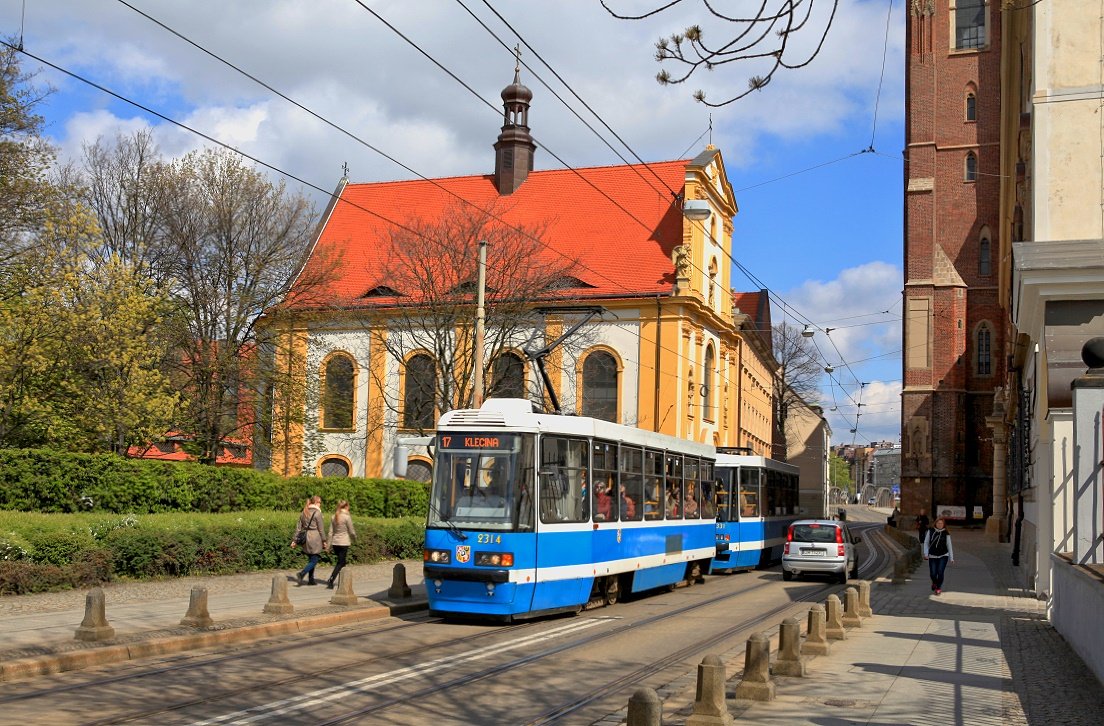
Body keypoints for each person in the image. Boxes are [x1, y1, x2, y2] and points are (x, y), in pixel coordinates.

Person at [291, 495, 327, 586]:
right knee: (315, 559)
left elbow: (298, 528)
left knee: (311, 558)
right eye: (320, 503)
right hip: (315, 538)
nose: (320, 505)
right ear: (316, 502)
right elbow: (321, 529)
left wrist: (294, 540)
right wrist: (324, 540)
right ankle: (302, 573)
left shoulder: (304, 512)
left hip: (306, 538)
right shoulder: (317, 513)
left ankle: (311, 580)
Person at [325, 499, 356, 589]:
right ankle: (331, 579)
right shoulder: (347, 517)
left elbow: (330, 532)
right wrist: (355, 539)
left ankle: (343, 582)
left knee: (342, 562)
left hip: (335, 543)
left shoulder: (333, 516)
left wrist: (328, 545)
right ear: (346, 507)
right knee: (341, 562)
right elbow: (351, 531)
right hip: (344, 543)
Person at [922, 517, 954, 595]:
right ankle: (934, 582)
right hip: (932, 555)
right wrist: (926, 554)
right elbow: (926, 543)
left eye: (941, 523)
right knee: (933, 573)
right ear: (935, 524)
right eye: (938, 523)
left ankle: (938, 587)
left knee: (940, 572)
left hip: (943, 555)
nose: (940, 525)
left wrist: (951, 558)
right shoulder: (931, 531)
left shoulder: (946, 533)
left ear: (943, 525)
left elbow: (949, 546)